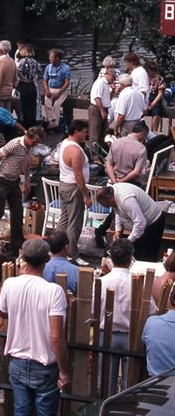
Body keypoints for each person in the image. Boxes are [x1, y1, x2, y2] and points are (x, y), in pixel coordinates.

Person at [0, 238, 69, 416]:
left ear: (23, 259)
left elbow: (2, 312)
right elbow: (56, 337)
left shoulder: (10, 284)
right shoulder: (53, 291)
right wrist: (64, 371)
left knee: (21, 415)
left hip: (18, 363)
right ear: (46, 260)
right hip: (44, 366)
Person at [98, 238, 156, 393]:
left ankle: (104, 414)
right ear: (130, 259)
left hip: (106, 335)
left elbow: (91, 311)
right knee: (129, 388)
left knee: (105, 386)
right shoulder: (140, 284)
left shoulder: (101, 282)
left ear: (111, 258)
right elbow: (151, 311)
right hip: (131, 337)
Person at [0, 127, 44, 255]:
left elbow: (26, 162)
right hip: (2, 179)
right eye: (35, 141)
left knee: (18, 214)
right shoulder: (14, 144)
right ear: (28, 137)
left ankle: (16, 247)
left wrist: (27, 180)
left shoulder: (29, 148)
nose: (36, 145)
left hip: (13, 181)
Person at [99, 183, 168, 263]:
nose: (109, 207)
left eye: (108, 205)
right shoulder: (113, 193)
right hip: (140, 224)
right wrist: (118, 230)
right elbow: (117, 210)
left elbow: (140, 223)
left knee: (146, 259)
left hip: (153, 223)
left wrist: (128, 241)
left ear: (110, 198)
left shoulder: (126, 200)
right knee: (136, 254)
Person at [58, 119, 92, 266]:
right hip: (73, 188)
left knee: (64, 220)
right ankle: (72, 254)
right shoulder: (75, 150)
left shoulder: (64, 143)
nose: (86, 134)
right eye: (84, 132)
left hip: (64, 185)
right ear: (76, 132)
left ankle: (57, 248)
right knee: (74, 223)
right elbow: (78, 175)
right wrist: (86, 195)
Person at [143, 286, 175, 376]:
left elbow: (144, 341)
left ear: (170, 298)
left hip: (154, 382)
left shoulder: (152, 322)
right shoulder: (152, 322)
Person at [106, 122, 149, 186]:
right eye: (145, 136)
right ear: (142, 134)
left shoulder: (116, 142)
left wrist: (114, 181)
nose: (145, 139)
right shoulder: (141, 148)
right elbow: (136, 172)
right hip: (131, 183)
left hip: (114, 179)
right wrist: (121, 181)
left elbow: (108, 164)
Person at [42, 49, 71, 132]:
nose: (49, 58)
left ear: (57, 58)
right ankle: (53, 122)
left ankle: (55, 125)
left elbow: (67, 82)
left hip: (61, 90)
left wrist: (60, 92)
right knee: (47, 104)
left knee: (56, 105)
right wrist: (46, 90)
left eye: (51, 57)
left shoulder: (66, 68)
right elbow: (44, 80)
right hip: (51, 89)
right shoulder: (48, 67)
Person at [88, 66, 115, 151]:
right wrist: (102, 111)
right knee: (95, 133)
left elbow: (106, 99)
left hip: (103, 109)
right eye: (113, 77)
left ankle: (100, 152)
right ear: (108, 75)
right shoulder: (100, 83)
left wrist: (113, 91)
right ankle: (94, 155)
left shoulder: (106, 84)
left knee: (102, 133)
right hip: (97, 109)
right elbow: (97, 98)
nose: (113, 80)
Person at [15, 44, 41, 128]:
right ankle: (32, 124)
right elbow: (39, 71)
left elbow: (17, 70)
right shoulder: (35, 61)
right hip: (32, 85)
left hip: (24, 85)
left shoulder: (22, 61)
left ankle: (26, 125)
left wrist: (22, 77)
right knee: (32, 105)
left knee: (24, 106)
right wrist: (34, 76)